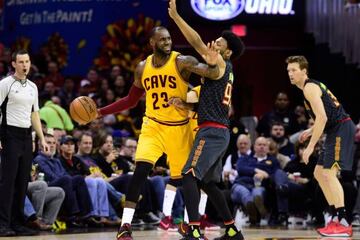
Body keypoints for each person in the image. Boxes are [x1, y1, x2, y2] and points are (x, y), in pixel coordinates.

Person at [96, 25, 220, 239]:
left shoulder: (182, 61)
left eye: (169, 39)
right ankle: (125, 226)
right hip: (152, 126)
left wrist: (214, 60)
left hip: (179, 129)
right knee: (140, 171)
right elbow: (131, 100)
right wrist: (100, 111)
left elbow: (213, 74)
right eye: (162, 39)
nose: (167, 42)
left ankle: (192, 226)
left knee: (189, 180)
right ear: (152, 43)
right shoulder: (142, 67)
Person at [168, 1, 245, 239]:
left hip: (211, 132)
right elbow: (212, 102)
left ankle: (193, 229)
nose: (216, 42)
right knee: (209, 184)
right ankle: (232, 230)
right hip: (218, 131)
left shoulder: (221, 62)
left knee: (189, 174)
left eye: (220, 43)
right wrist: (188, 105)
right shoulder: (225, 69)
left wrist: (177, 18)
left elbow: (196, 42)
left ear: (227, 51)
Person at [286, 55, 356, 237]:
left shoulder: (309, 87)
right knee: (318, 173)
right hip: (335, 129)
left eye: (294, 70)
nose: (290, 74)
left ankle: (343, 220)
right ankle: (335, 218)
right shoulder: (307, 90)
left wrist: (310, 147)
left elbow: (324, 118)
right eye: (288, 71)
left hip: (341, 128)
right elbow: (322, 117)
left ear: (304, 71)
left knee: (328, 173)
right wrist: (310, 132)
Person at [0, 50, 49, 236]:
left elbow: (34, 114)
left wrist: (42, 138)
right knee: (8, 182)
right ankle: (3, 224)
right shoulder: (5, 84)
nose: (24, 65)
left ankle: (18, 222)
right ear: (13, 64)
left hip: (26, 136)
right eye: (20, 62)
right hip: (9, 134)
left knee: (22, 182)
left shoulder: (33, 87)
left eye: (27, 61)